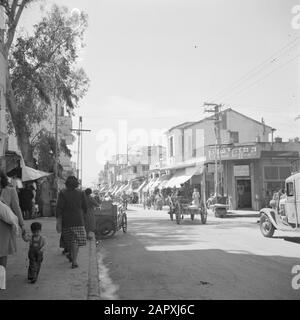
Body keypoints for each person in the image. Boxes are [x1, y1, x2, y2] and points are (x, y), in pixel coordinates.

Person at [56, 176, 87, 269]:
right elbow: (85, 207)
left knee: (70, 241)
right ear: (76, 184)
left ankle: (71, 256)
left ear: (66, 184)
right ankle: (74, 261)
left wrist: (58, 220)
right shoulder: (81, 193)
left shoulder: (62, 193)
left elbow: (59, 208)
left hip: (66, 221)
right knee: (76, 241)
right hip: (78, 220)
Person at [0, 170, 25, 269]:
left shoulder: (10, 190)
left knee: (2, 253)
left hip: (4, 227)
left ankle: (1, 278)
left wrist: (22, 225)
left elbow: (16, 208)